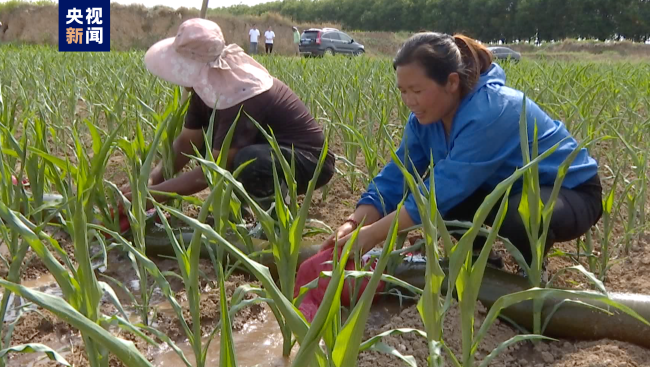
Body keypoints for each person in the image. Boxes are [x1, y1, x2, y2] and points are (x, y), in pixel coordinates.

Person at [321, 32, 603, 271]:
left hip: (569, 193)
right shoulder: (424, 120)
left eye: (417, 91)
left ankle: (530, 277)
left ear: (452, 82)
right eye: (403, 91)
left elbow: (444, 188)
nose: (409, 101)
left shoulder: (493, 110)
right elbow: (397, 175)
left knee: (520, 214)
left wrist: (372, 236)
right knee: (449, 206)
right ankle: (484, 264)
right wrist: (354, 223)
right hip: (504, 190)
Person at [121, 18, 335, 215]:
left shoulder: (241, 94)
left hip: (309, 161)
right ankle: (250, 205)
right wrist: (150, 180)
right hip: (269, 151)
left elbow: (213, 170)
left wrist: (149, 197)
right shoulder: (204, 88)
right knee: (209, 144)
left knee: (248, 161)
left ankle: (276, 216)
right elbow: (187, 141)